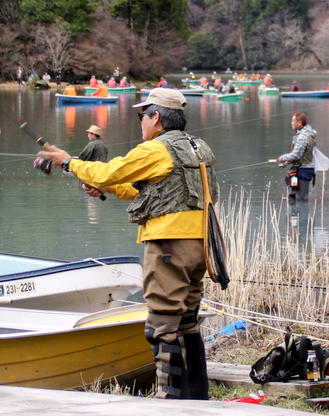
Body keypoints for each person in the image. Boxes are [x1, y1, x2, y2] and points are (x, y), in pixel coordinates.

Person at [38, 88, 217, 400]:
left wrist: (69, 162)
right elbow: (166, 192)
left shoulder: (156, 149)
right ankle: (197, 399)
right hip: (201, 245)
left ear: (156, 117)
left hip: (168, 246)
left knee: (162, 323)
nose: (141, 122)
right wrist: (111, 189)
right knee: (187, 322)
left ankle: (169, 401)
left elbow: (106, 171)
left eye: (142, 115)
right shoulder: (196, 146)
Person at [277, 112, 317, 210]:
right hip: (301, 169)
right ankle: (294, 223)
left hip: (303, 171)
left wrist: (283, 158)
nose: (291, 123)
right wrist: (290, 161)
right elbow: (301, 155)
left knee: (300, 200)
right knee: (294, 198)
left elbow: (296, 155)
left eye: (293, 121)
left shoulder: (303, 137)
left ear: (299, 123)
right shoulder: (306, 135)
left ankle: (302, 223)